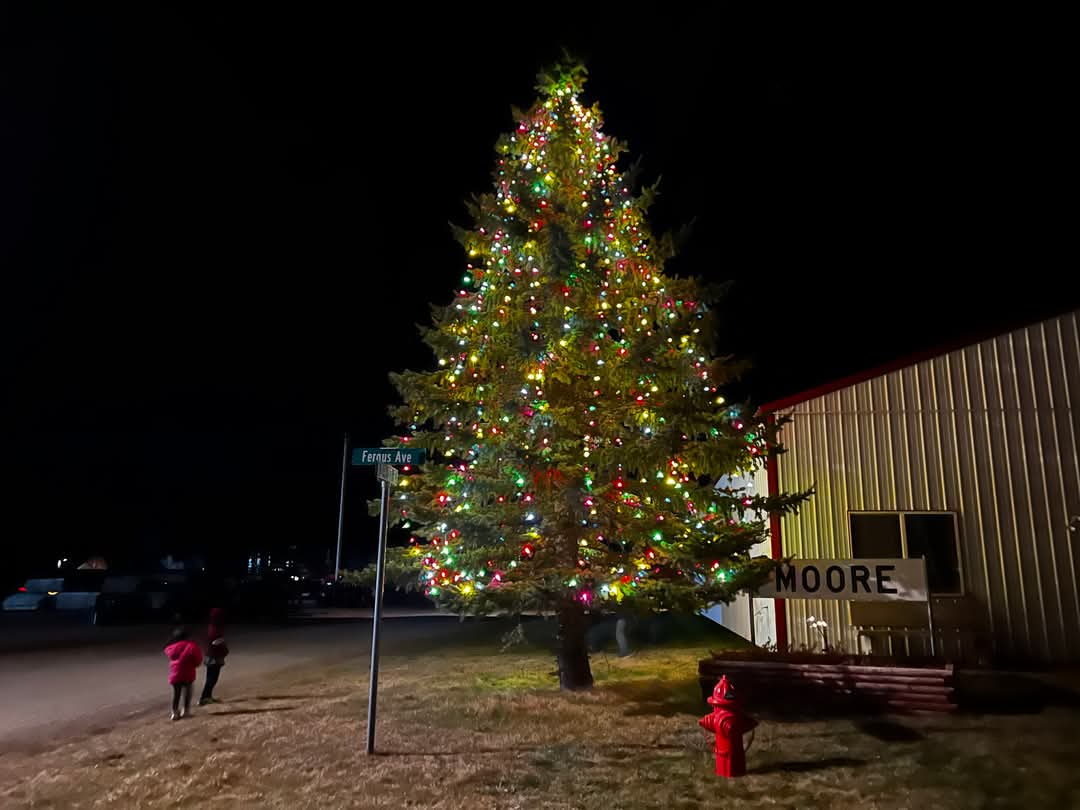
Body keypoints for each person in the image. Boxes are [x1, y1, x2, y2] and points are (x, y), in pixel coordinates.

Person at [164, 628, 203, 721]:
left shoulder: (172, 647)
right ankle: (185, 711)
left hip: (175, 674)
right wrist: (194, 664)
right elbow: (198, 659)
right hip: (188, 673)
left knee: (176, 694)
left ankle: (174, 713)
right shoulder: (191, 646)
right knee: (187, 693)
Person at [199, 608, 229, 705]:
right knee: (212, 678)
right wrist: (224, 648)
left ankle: (207, 696)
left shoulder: (212, 626)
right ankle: (204, 697)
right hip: (214, 656)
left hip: (212, 655)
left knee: (211, 678)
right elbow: (215, 642)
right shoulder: (215, 628)